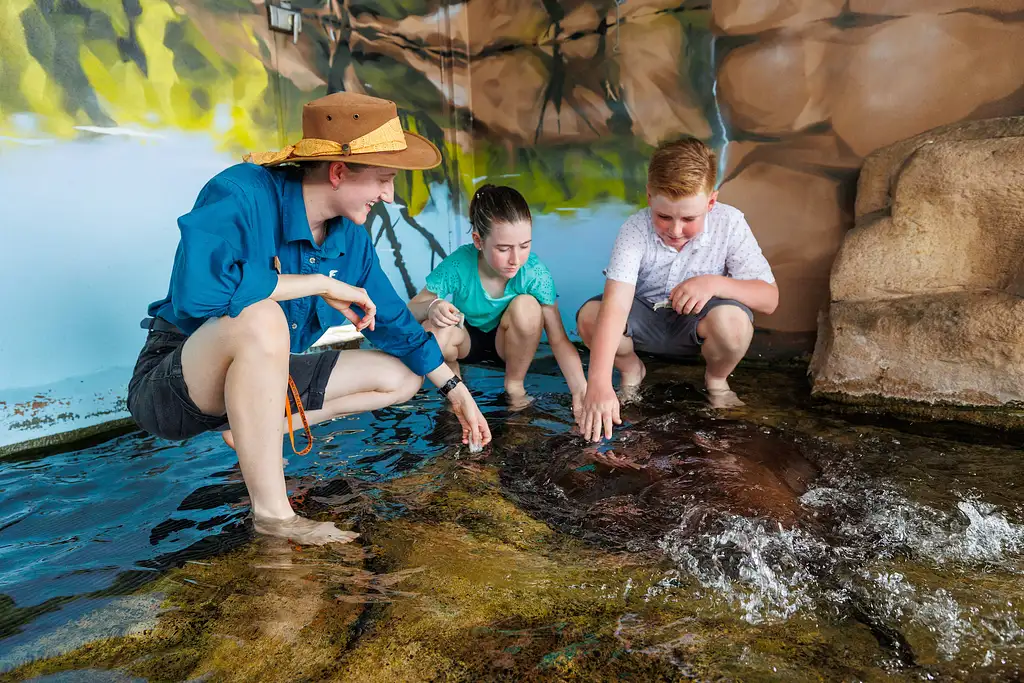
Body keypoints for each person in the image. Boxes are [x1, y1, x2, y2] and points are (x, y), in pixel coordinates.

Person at [128, 92, 491, 545]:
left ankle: (252, 430)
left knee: (402, 378)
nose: (389, 195)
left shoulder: (352, 239)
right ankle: (275, 516)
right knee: (262, 318)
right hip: (175, 385)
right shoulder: (241, 193)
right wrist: (318, 282)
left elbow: (397, 324)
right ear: (338, 172)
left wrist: (458, 395)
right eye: (382, 178)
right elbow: (199, 293)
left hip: (262, 383)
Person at [577, 137, 778, 442]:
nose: (675, 230)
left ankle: (717, 379)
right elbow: (616, 306)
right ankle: (632, 370)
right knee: (591, 316)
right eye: (664, 216)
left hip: (698, 325)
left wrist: (714, 283)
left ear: (711, 202)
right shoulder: (634, 229)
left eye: (689, 218)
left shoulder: (731, 223)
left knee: (734, 324)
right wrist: (599, 381)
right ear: (649, 198)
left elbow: (769, 299)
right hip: (644, 320)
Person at [407, 185, 587, 417]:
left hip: (509, 345)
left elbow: (559, 339)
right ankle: (454, 389)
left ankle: (515, 386)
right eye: (503, 248)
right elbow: (412, 309)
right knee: (433, 326)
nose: (516, 259)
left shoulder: (534, 272)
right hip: (465, 341)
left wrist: (581, 389)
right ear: (478, 241)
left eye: (525, 246)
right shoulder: (460, 263)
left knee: (528, 306)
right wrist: (432, 307)